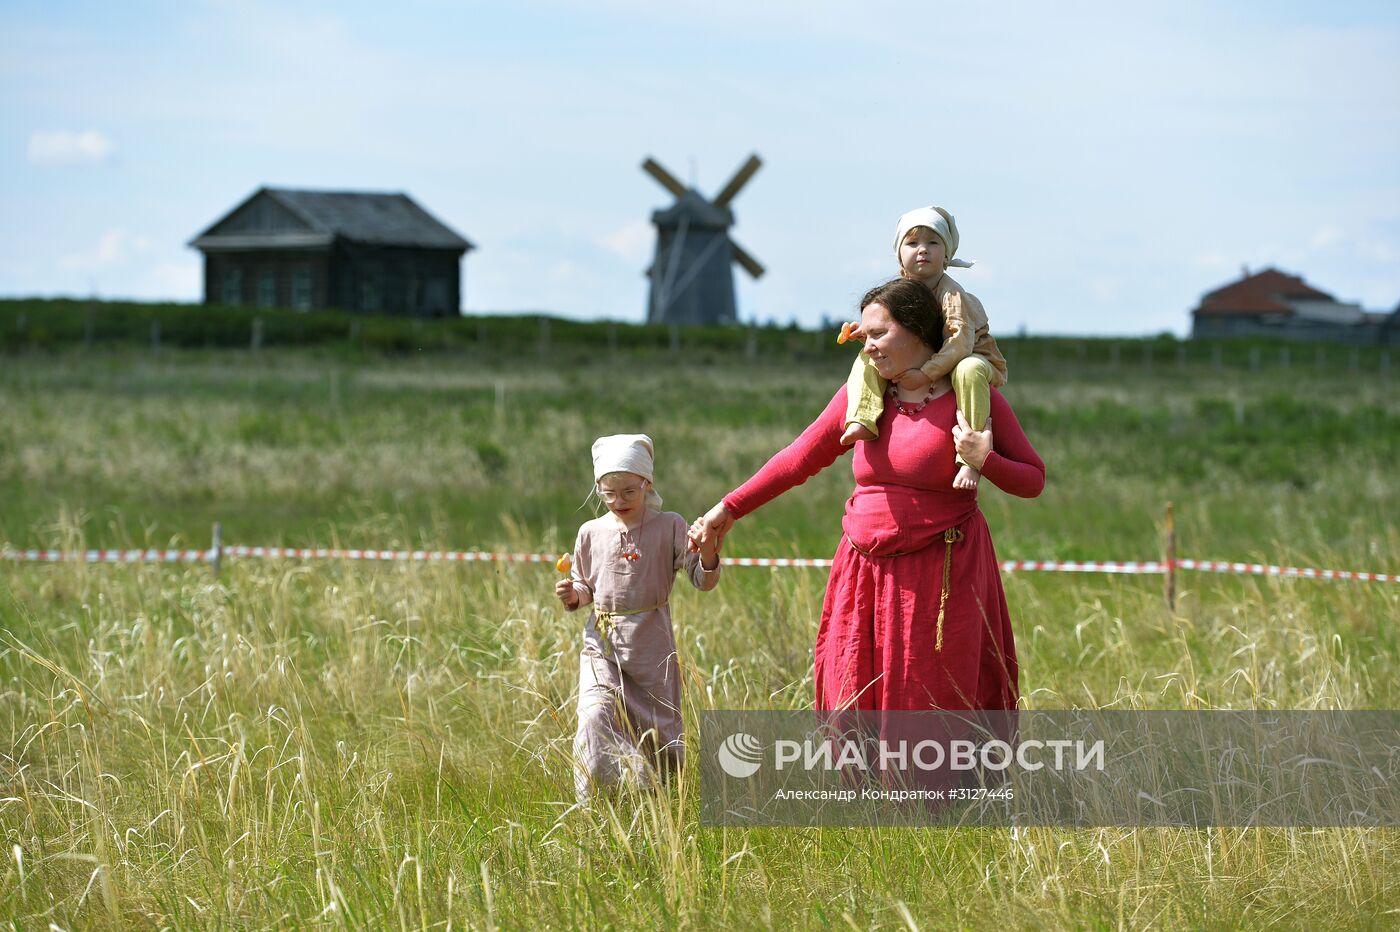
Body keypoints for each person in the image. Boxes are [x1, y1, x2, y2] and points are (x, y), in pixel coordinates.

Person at [689, 279, 1044, 713]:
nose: (868, 345)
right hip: (863, 572)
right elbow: (799, 458)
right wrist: (728, 509)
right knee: (851, 700)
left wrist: (984, 459)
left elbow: (1032, 480)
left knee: (930, 707)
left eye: (879, 334)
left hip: (944, 574)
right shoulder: (863, 396)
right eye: (865, 334)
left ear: (917, 331)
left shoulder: (972, 398)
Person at [556, 433, 722, 802]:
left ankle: (660, 800)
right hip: (602, 642)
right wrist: (573, 595)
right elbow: (585, 585)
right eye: (608, 494)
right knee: (595, 714)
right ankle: (597, 800)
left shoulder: (670, 526)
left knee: (658, 729)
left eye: (628, 492)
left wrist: (708, 549)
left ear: (646, 483)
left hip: (652, 642)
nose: (619, 502)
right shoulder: (590, 532)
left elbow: (702, 578)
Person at [840, 206, 1009, 492]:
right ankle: (862, 417)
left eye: (933, 243)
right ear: (899, 254)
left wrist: (925, 374)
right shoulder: (899, 291)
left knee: (968, 370)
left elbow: (959, 342)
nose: (923, 250)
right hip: (929, 356)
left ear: (946, 255)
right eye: (913, 242)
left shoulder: (951, 293)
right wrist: (866, 333)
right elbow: (891, 332)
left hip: (970, 356)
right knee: (866, 359)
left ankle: (970, 457)